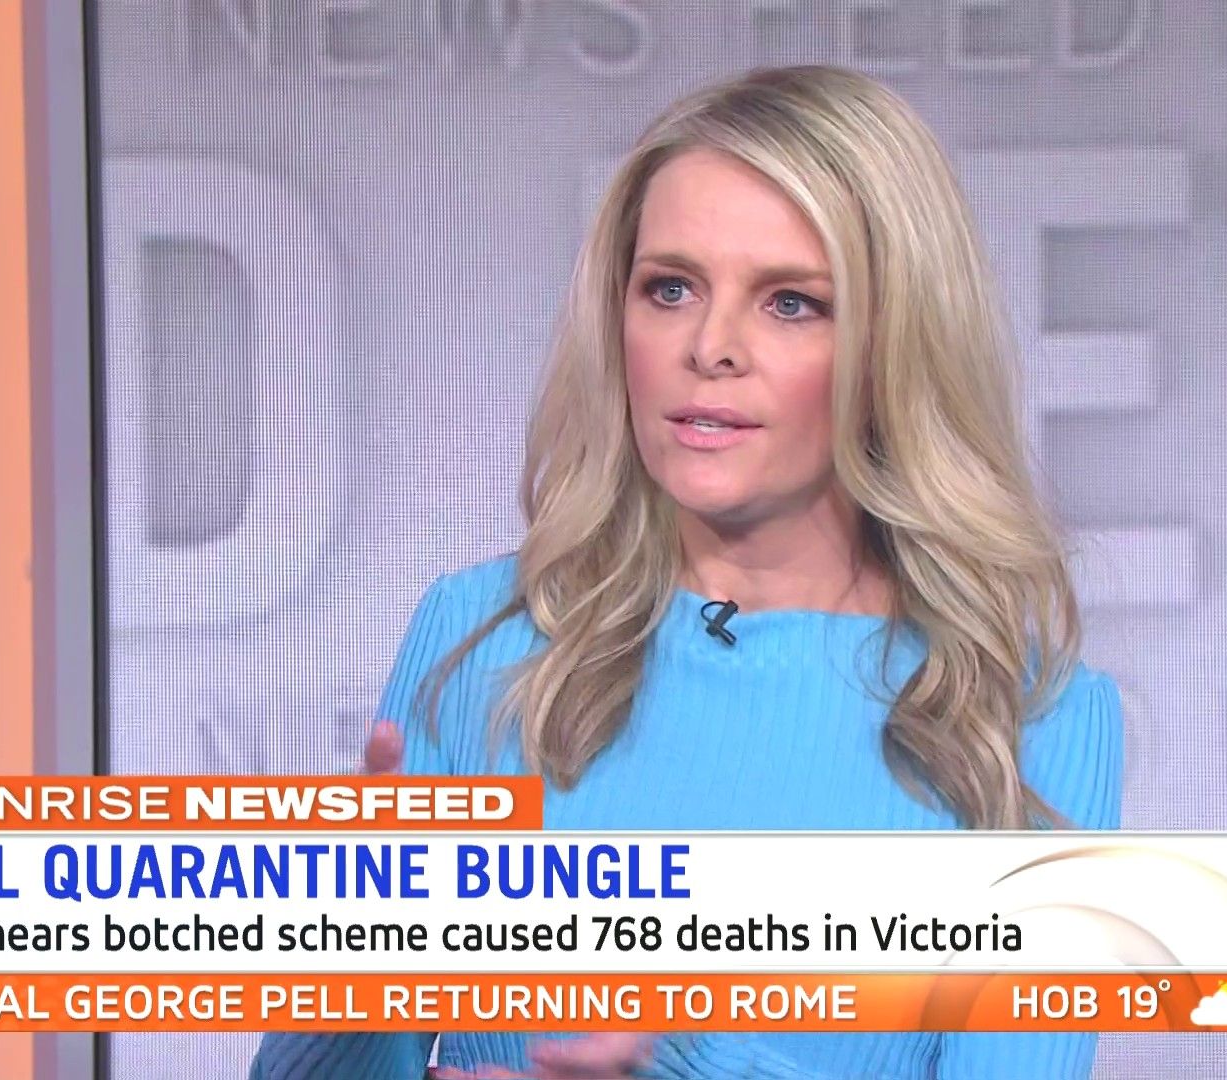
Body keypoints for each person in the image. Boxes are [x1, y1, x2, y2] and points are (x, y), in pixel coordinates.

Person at [253, 64, 1122, 1080]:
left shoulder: (1030, 719)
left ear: (896, 346)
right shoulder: (479, 635)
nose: (710, 347)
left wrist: (674, 1062)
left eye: (790, 303)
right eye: (670, 289)